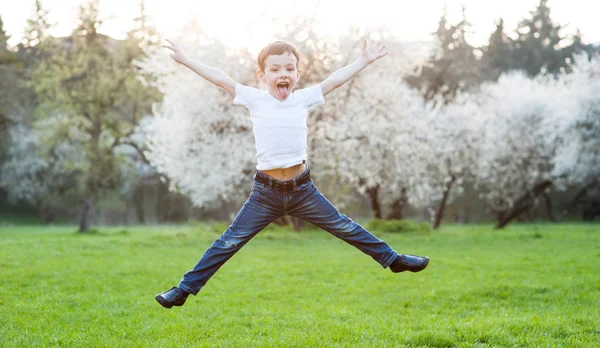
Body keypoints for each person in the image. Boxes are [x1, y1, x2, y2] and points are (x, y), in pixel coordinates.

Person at [155, 38, 429, 309]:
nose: (282, 74)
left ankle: (393, 260)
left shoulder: (302, 99)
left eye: (288, 68)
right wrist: (186, 60)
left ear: (297, 74)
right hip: (265, 193)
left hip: (302, 191)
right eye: (274, 70)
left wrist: (363, 60)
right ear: (262, 75)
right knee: (229, 241)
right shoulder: (255, 99)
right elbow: (220, 78)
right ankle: (183, 289)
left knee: (344, 226)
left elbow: (335, 80)